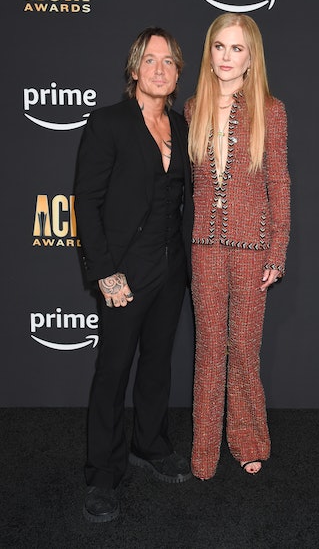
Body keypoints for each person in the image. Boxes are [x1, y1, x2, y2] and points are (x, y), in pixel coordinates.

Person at [74, 26, 194, 522]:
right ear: (133, 69)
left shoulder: (183, 126)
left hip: (171, 268)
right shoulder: (108, 124)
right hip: (124, 270)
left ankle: (150, 442)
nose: (160, 68)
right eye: (150, 60)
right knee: (113, 370)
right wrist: (105, 273)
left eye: (168, 61)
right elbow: (87, 201)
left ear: (177, 72)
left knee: (157, 362)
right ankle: (102, 472)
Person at [184, 13, 290, 480]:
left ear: (252, 57)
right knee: (209, 348)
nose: (227, 57)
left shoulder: (271, 109)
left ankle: (248, 439)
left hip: (252, 247)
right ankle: (203, 449)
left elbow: (279, 183)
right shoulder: (191, 109)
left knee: (244, 348)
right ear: (210, 52)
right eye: (220, 47)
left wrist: (277, 250)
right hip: (205, 244)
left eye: (237, 49)